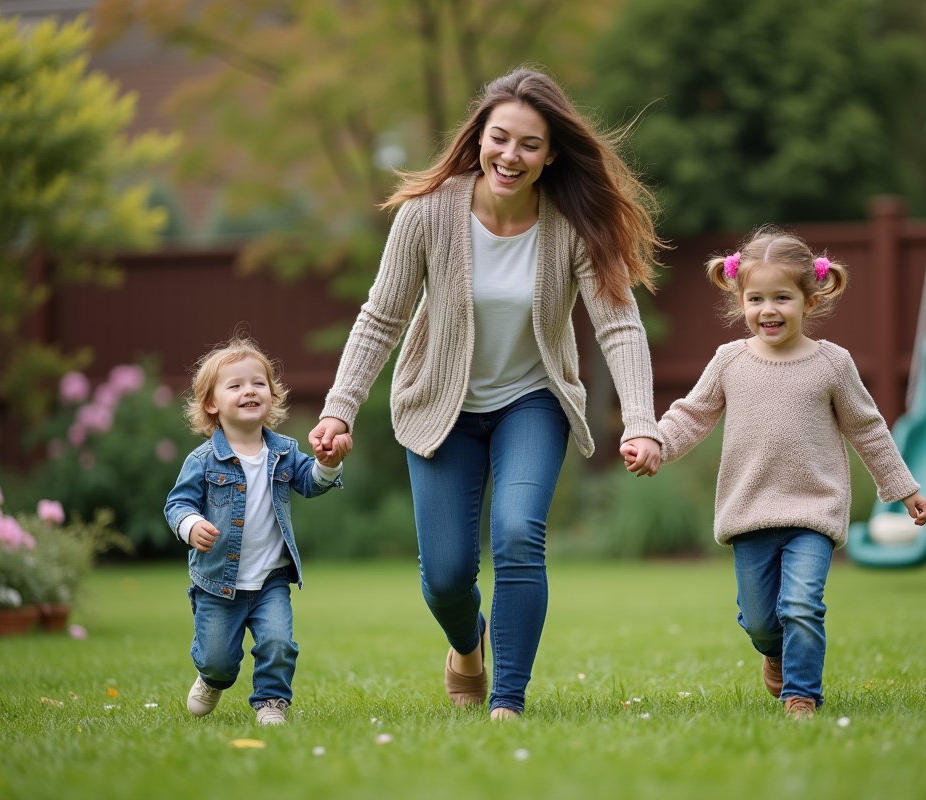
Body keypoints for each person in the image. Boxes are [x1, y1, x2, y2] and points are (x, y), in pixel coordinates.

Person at [309, 68, 664, 719]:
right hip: (442, 407)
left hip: (532, 402)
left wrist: (640, 420)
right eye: (500, 138)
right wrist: (339, 407)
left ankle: (507, 699)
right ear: (478, 138)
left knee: (518, 533)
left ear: (551, 152)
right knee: (445, 577)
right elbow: (382, 316)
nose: (511, 155)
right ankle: (467, 645)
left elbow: (618, 322)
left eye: (530, 144)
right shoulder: (427, 214)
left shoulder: (572, 224)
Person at [623, 226, 926, 719]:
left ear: (810, 300)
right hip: (749, 511)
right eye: (756, 298)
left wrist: (903, 488)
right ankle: (774, 653)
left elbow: (868, 429)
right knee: (764, 620)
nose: (769, 310)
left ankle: (801, 695)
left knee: (802, 607)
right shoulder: (729, 361)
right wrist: (656, 442)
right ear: (739, 300)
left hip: (814, 510)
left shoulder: (832, 364)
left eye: (782, 297)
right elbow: (692, 414)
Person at [165, 335, 352, 725]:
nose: (249, 390)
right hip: (218, 582)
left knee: (279, 644)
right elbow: (176, 504)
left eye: (258, 383)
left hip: (269, 579)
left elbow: (309, 482)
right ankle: (211, 678)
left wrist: (329, 463)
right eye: (235, 385)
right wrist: (191, 524)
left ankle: (271, 702)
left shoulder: (283, 451)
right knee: (219, 659)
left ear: (271, 394)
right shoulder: (202, 460)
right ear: (212, 403)